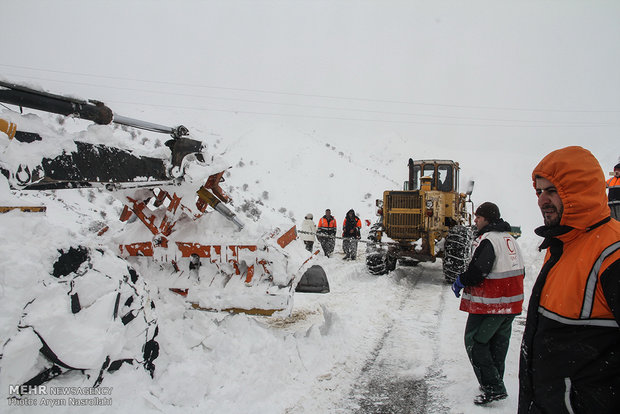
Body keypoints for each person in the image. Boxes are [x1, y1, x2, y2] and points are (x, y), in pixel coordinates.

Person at [518, 146, 620, 414]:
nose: (542, 200)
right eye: (539, 191)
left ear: (580, 192)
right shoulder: (561, 245)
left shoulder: (613, 254)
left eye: (552, 190)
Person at [451, 201, 525, 406]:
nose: (475, 220)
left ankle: (493, 388)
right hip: (511, 304)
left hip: (491, 303)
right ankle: (493, 382)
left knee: (475, 341)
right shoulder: (510, 238)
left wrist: (461, 280)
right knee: (497, 344)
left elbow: (478, 272)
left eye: (478, 217)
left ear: (487, 218)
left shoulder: (489, 240)